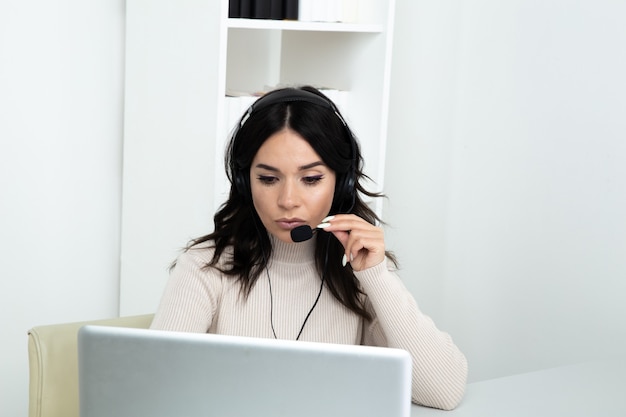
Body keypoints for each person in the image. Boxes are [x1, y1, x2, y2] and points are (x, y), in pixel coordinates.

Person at [150, 86, 468, 410]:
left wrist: (377, 277)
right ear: (246, 183)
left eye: (311, 178)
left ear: (340, 181)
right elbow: (151, 393)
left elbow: (444, 390)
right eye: (269, 179)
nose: (288, 201)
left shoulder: (358, 271)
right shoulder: (206, 267)